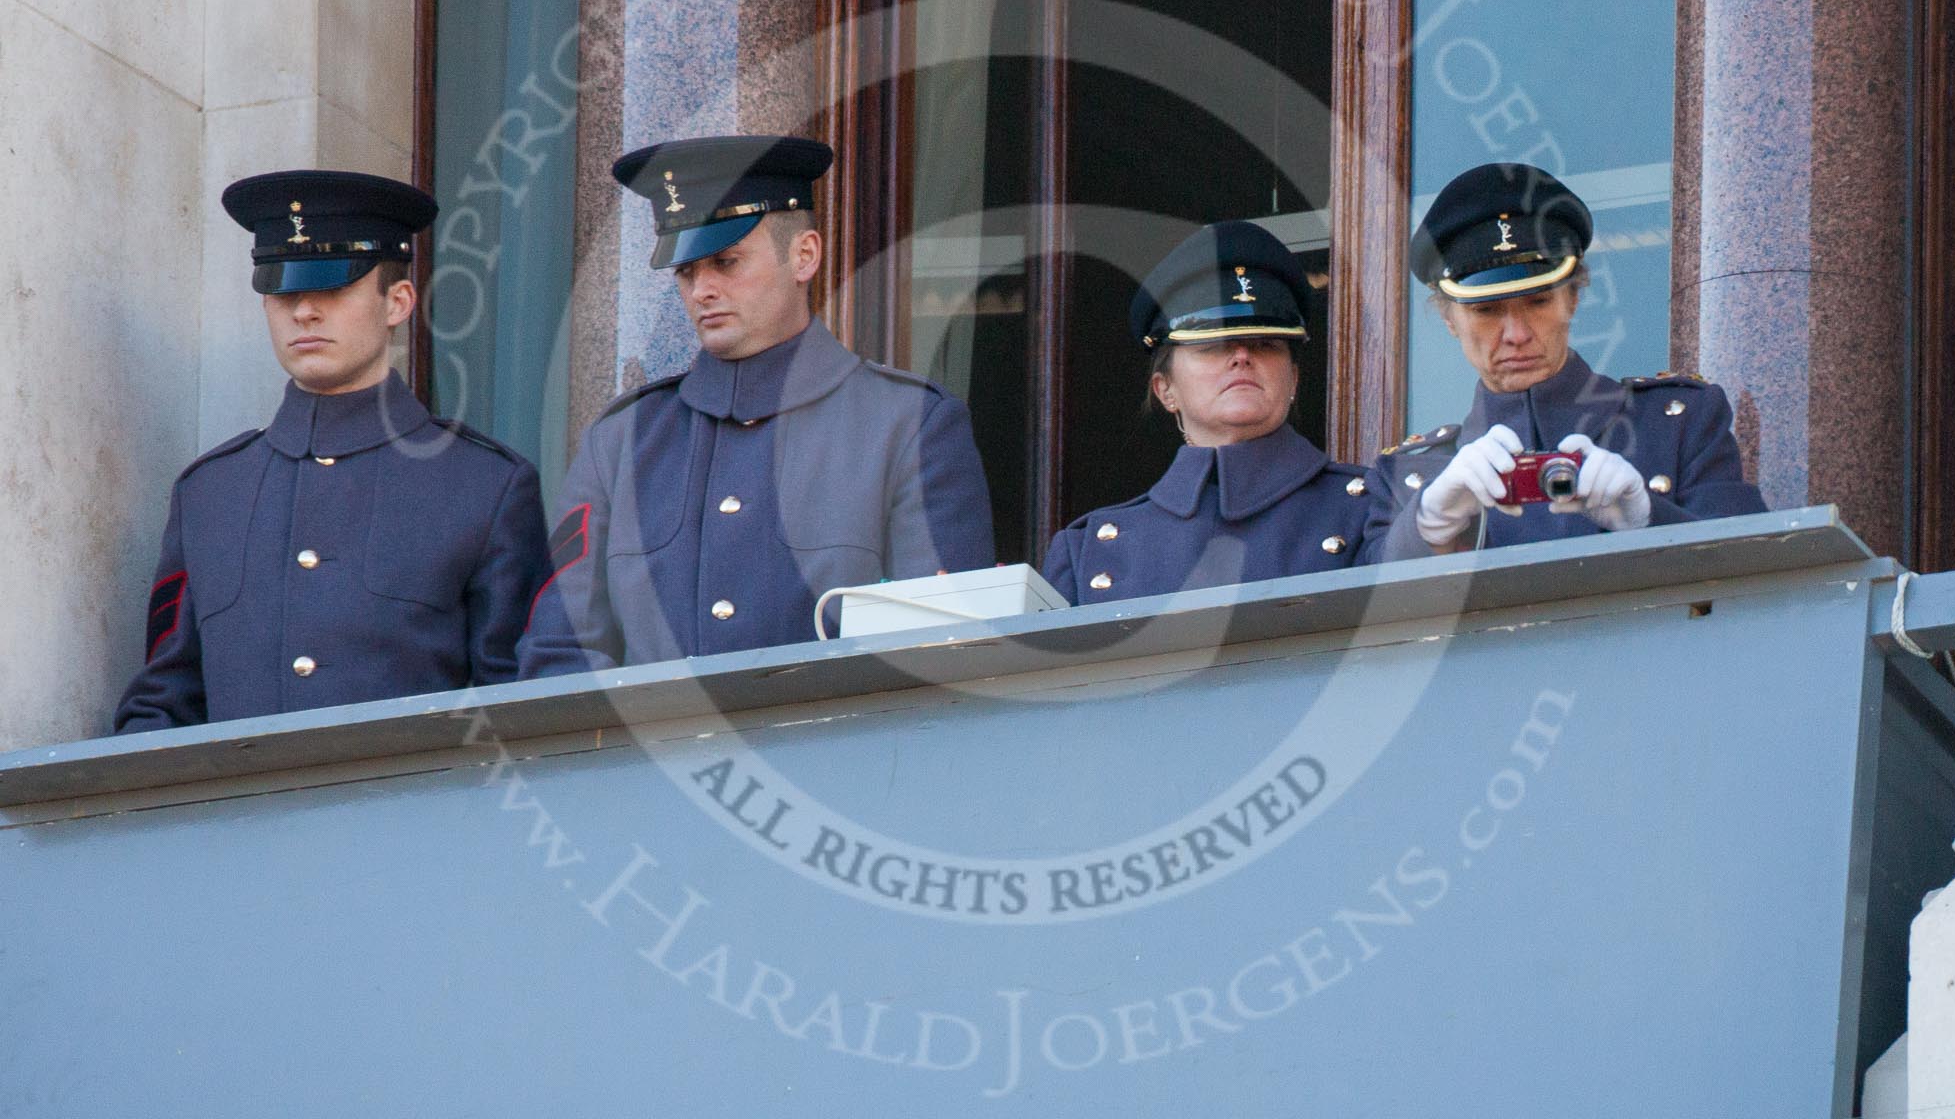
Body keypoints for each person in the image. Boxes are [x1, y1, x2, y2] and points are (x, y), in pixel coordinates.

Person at [519, 135, 994, 673]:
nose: (702, 289)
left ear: (804, 255)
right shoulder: (621, 442)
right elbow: (560, 655)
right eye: (687, 271)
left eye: (726, 261)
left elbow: (943, 655)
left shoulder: (909, 425)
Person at [114, 171, 549, 732]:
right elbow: (164, 704)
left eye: (333, 289)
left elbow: (519, 711)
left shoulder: (483, 485)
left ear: (397, 302)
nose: (304, 312)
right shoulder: (210, 493)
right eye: (283, 291)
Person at [1363, 162, 1767, 561]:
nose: (1517, 334)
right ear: (1449, 319)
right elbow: (1354, 618)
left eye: (1539, 302)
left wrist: (1650, 519)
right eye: (1486, 311)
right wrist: (1426, 529)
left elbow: (1757, 581)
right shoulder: (1406, 477)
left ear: (1572, 298)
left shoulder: (1679, 424)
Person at [1043, 220, 1374, 602]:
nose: (1242, 357)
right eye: (1212, 346)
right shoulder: (1088, 551)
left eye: (1265, 343)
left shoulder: (1370, 507)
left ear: (1294, 380)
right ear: (1165, 390)